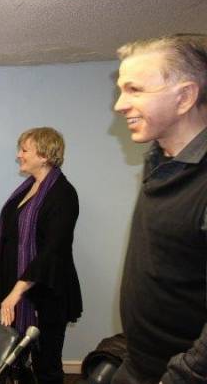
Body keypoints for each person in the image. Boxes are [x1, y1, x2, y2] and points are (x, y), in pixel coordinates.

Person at [112, 34, 207, 384]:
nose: (120, 105)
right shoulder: (159, 161)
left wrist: (183, 375)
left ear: (184, 97)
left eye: (134, 90)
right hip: (138, 362)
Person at [0, 127, 82, 384]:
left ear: (44, 155)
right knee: (17, 362)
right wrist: (11, 292)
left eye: (24, 150)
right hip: (17, 290)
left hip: (46, 294)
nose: (18, 155)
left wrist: (16, 293)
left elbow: (52, 251)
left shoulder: (63, 194)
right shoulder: (28, 187)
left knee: (46, 366)